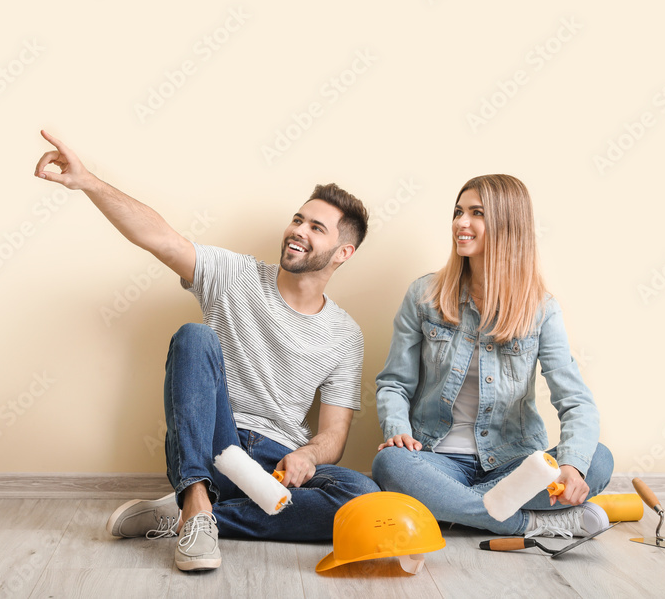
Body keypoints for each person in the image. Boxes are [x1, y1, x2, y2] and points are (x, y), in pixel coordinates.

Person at [33, 130, 379, 572]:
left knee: (361, 497)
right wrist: (89, 182)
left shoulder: (345, 333)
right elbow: (160, 238)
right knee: (194, 337)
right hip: (214, 444)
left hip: (273, 466)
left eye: (316, 227)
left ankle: (191, 516)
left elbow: (334, 434)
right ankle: (196, 502)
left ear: (343, 252)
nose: (297, 231)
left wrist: (308, 456)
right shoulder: (235, 274)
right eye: (298, 219)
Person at [372, 174, 614, 540]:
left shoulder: (541, 310)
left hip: (513, 462)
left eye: (476, 213)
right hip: (436, 458)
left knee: (597, 459)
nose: (460, 223)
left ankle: (452, 509)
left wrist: (571, 466)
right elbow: (393, 383)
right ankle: (532, 523)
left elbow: (576, 402)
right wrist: (398, 430)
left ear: (507, 225)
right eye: (458, 212)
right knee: (390, 464)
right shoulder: (424, 295)